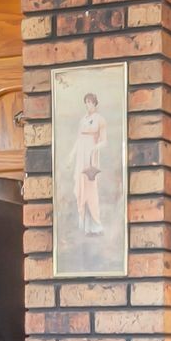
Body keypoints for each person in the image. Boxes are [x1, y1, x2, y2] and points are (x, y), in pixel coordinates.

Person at [70, 92, 108, 235]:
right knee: (81, 188)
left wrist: (94, 147)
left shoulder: (100, 119)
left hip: (91, 156)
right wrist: (70, 156)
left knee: (91, 189)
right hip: (81, 156)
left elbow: (104, 141)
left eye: (91, 102)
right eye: (86, 102)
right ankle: (85, 225)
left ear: (95, 103)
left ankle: (96, 225)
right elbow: (78, 140)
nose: (88, 105)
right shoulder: (83, 120)